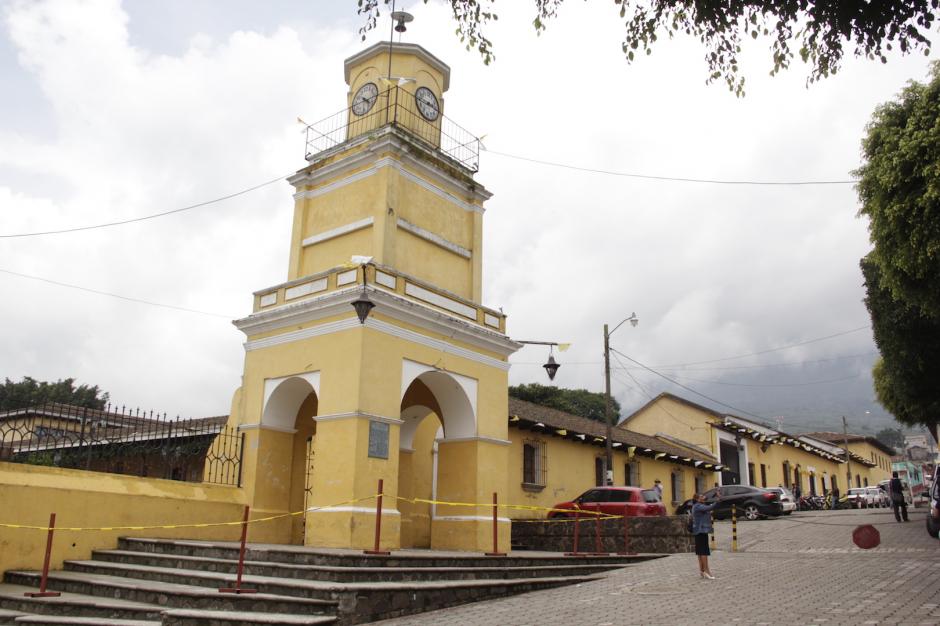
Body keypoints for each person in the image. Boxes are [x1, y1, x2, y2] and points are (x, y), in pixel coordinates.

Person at [691, 489, 720, 579]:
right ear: (697, 499)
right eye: (701, 496)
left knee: (700, 552)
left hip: (699, 531)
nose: (704, 497)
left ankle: (702, 571)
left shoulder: (697, 506)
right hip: (701, 531)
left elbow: (707, 509)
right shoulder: (698, 506)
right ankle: (707, 571)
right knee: (704, 552)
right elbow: (709, 508)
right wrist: (718, 499)